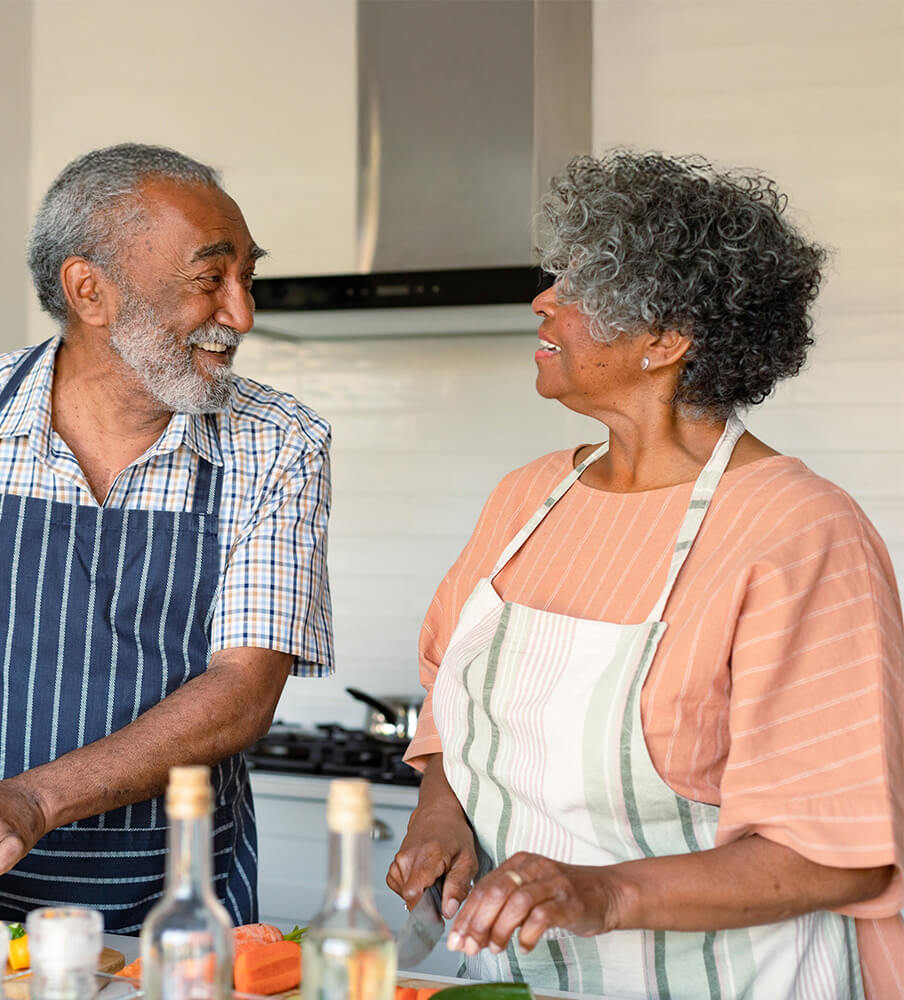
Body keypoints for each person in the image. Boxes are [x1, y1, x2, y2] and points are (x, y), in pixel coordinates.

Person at [386, 151, 904, 998]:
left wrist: (604, 892)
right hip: (534, 978)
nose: (543, 300)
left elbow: (836, 852)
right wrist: (442, 809)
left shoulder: (804, 533)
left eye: (581, 286)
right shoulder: (528, 500)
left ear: (666, 342)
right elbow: (448, 701)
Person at [0, 143, 334, 932]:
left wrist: (35, 798)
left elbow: (243, 692)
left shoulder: (280, 442)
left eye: (250, 277)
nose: (242, 315)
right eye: (211, 279)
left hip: (177, 913)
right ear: (90, 290)